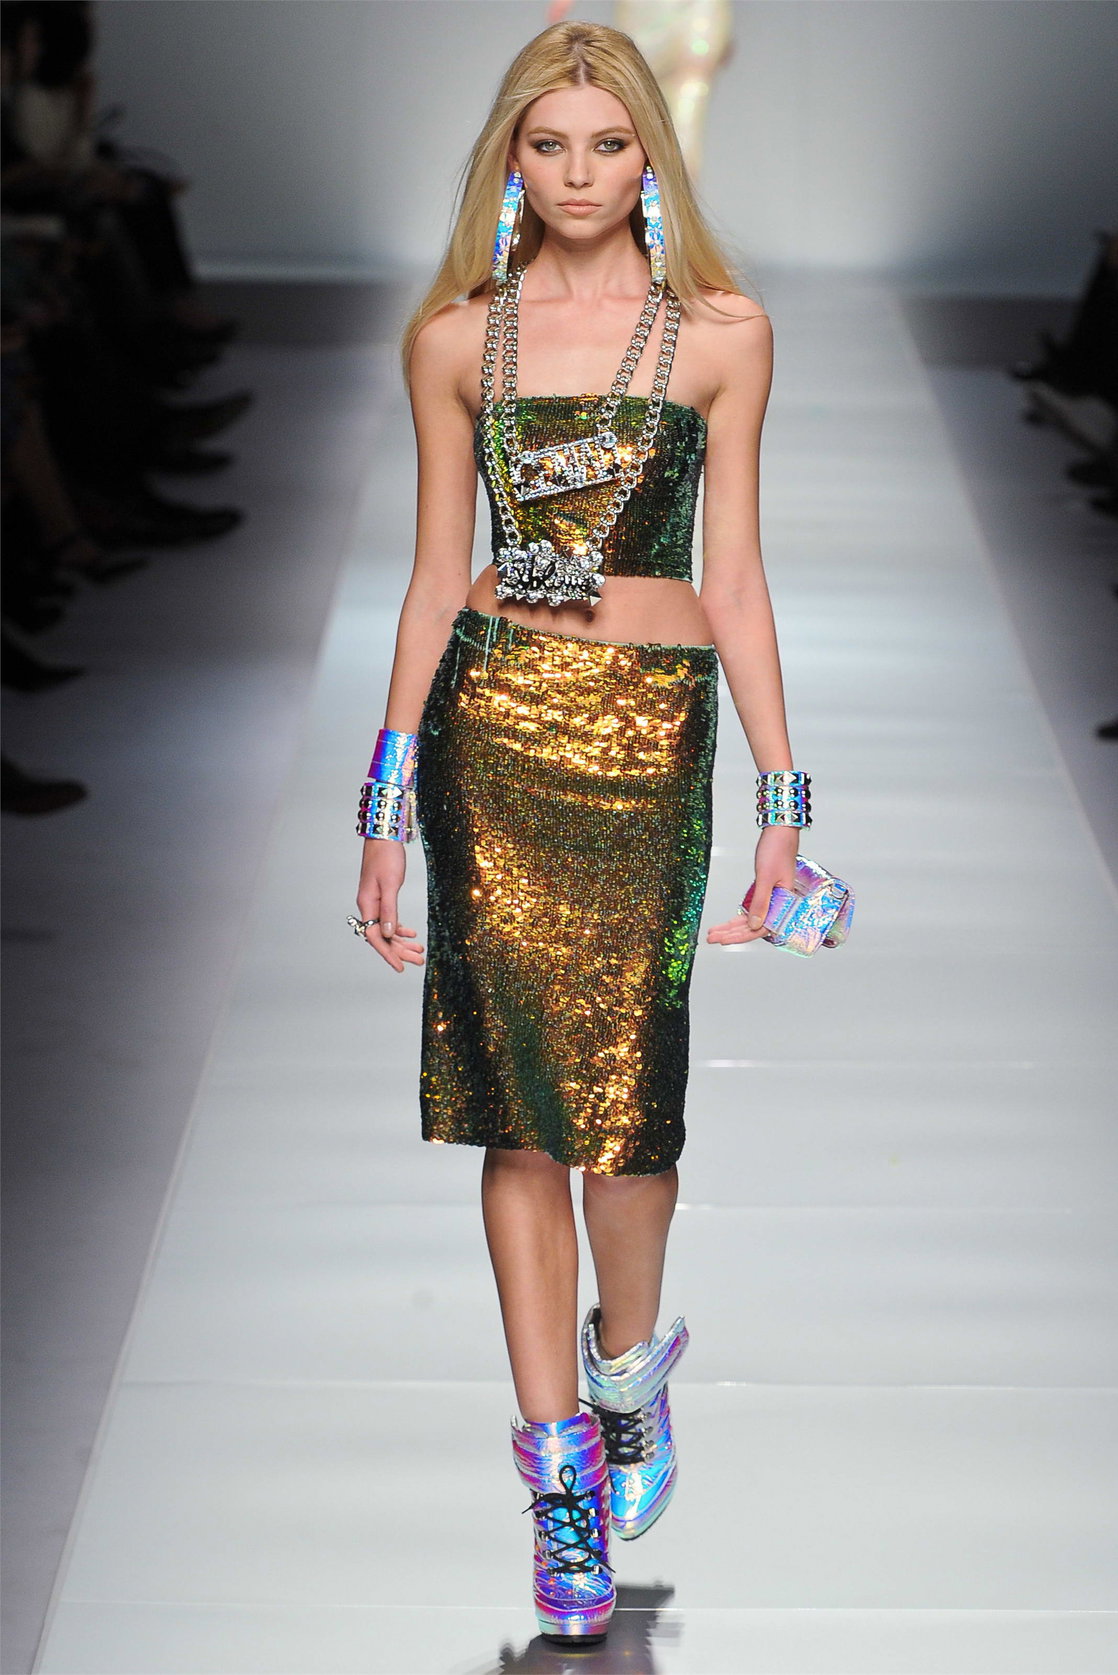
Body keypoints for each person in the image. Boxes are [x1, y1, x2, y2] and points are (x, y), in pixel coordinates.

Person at [350, 19, 809, 1647]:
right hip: (492, 732)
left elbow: (734, 576)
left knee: (629, 1121)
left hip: (648, 739)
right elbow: (430, 575)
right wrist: (385, 804)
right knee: (518, 1122)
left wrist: (782, 802)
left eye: (606, 146)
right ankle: (556, 1482)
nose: (577, 174)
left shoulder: (722, 336)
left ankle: (626, 1367)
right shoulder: (452, 341)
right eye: (546, 146)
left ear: (648, 158)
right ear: (508, 159)